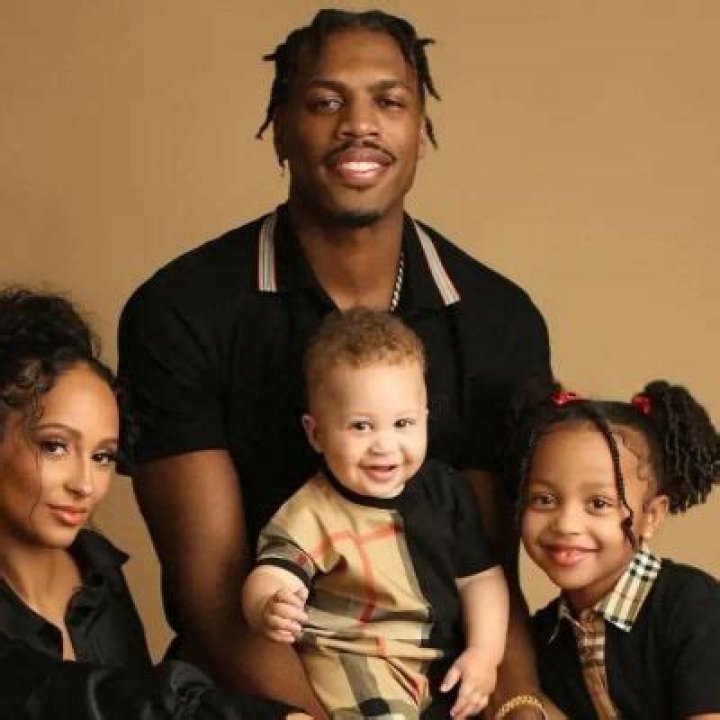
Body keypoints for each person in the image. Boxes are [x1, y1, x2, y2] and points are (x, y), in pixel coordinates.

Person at [118, 8, 552, 718]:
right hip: (256, 694)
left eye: (390, 102)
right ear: (280, 129)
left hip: (443, 691)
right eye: (325, 102)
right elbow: (213, 595)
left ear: (421, 132)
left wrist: (522, 709)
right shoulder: (182, 310)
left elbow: (488, 571)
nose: (360, 125)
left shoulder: (497, 321)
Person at [0, 287, 309, 720]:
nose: (85, 485)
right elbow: (59, 694)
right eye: (55, 446)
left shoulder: (97, 572)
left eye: (102, 456)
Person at [242, 308, 509, 719]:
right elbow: (275, 572)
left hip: (435, 661)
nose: (384, 445)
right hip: (356, 659)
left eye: (402, 423)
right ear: (316, 433)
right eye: (361, 427)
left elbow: (481, 579)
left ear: (425, 420)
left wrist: (484, 654)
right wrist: (267, 605)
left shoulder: (445, 491)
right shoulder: (312, 511)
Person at [505, 381, 720, 718]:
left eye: (598, 503)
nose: (566, 524)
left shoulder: (693, 607)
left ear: (652, 516)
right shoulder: (543, 637)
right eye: (544, 499)